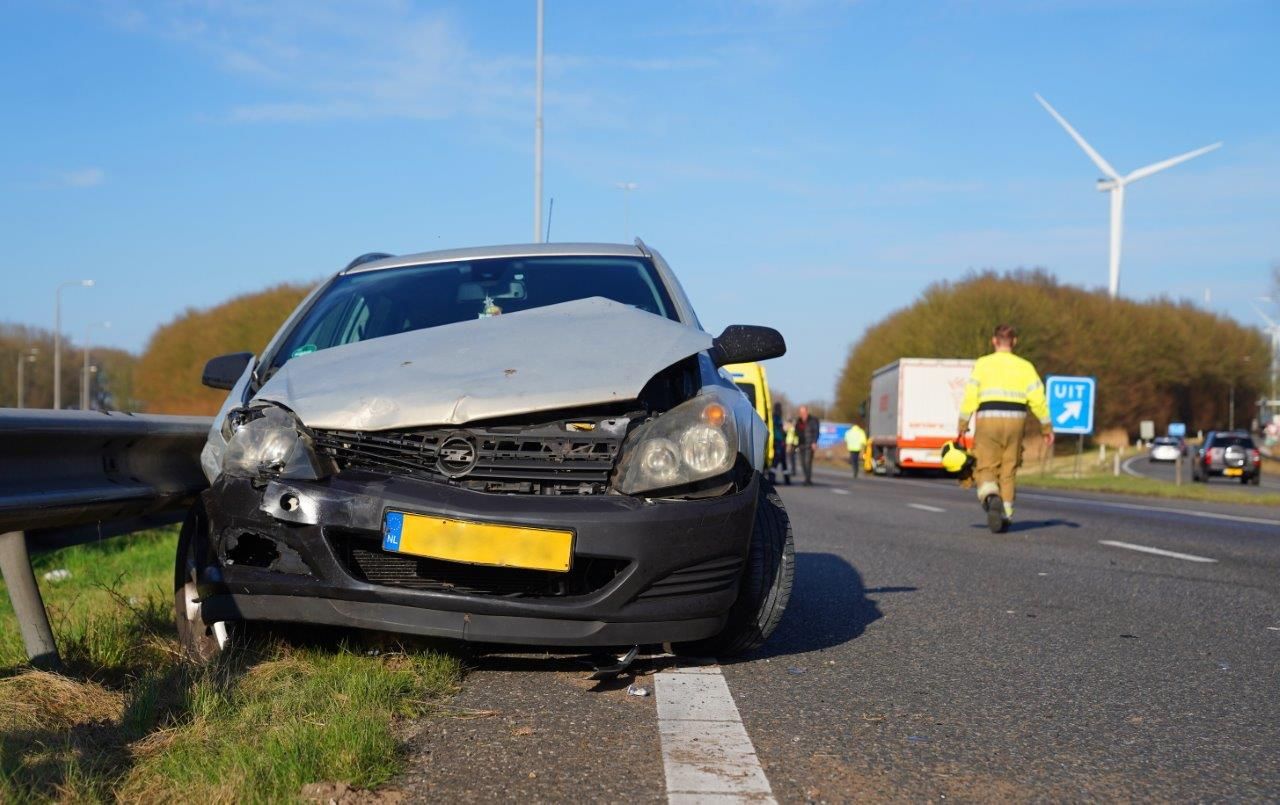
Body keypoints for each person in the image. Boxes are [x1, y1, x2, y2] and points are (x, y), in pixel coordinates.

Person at [957, 324, 1054, 533]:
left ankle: (992, 497)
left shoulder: (983, 364)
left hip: (988, 419)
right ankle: (1007, 515)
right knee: (1009, 468)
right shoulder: (1026, 367)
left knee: (985, 466)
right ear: (1014, 342)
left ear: (994, 341)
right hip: (1016, 420)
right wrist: (1046, 428)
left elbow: (970, 396)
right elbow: (1039, 400)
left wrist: (962, 424)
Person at [794, 405, 821, 485]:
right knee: (802, 462)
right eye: (801, 412)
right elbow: (796, 431)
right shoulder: (798, 421)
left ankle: (808, 480)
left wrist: (814, 442)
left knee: (807, 462)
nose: (802, 413)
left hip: (810, 444)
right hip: (801, 444)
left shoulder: (813, 420)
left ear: (807, 411)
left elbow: (816, 432)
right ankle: (806, 477)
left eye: (804, 411)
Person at [770, 402, 791, 485]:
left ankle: (787, 480)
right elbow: (779, 431)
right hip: (779, 442)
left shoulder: (775, 418)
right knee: (776, 460)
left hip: (779, 442)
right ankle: (772, 479)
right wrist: (784, 435)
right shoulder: (776, 418)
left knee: (783, 461)